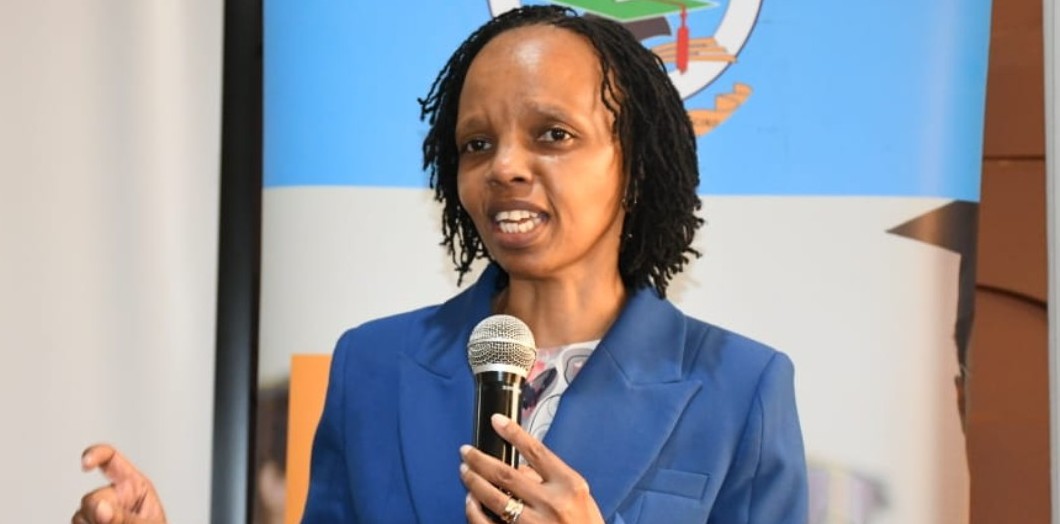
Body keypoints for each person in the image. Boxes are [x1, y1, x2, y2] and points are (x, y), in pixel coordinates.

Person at [74, 5, 807, 523]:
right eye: (476, 144)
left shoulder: (741, 388)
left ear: (636, 169)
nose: (505, 167)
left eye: (552, 135)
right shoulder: (372, 366)